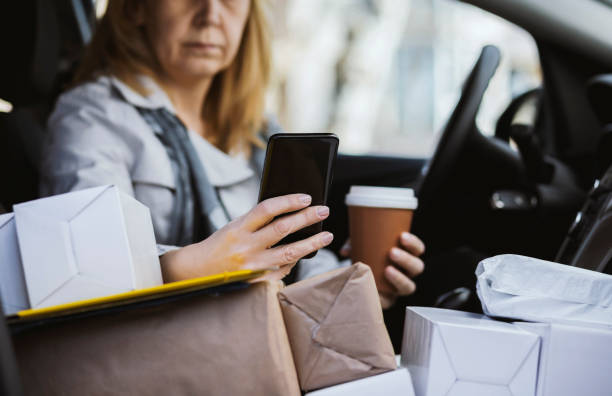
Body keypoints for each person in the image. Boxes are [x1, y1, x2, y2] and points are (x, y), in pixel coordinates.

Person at [40, 0, 425, 308]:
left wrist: (360, 286)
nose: (210, 15)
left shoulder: (260, 129)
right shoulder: (92, 116)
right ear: (138, 8)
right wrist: (191, 267)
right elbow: (88, 268)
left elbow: (300, 265)